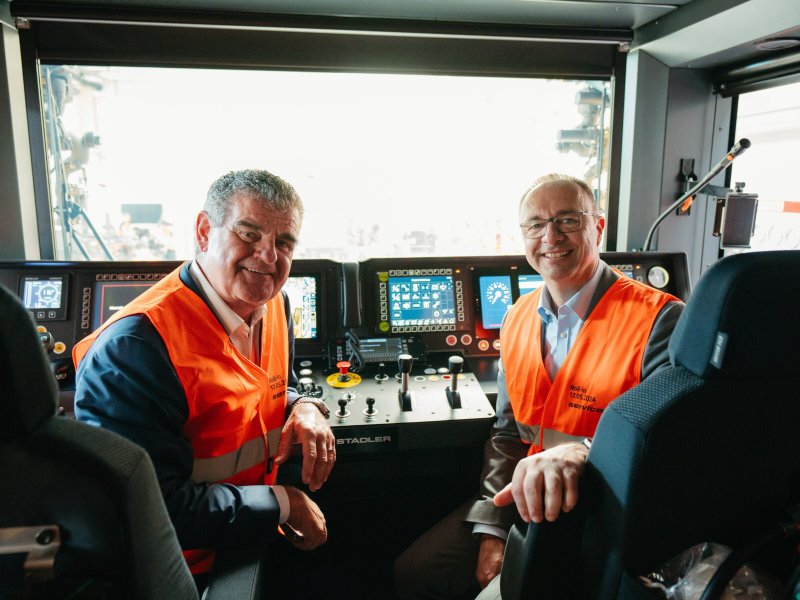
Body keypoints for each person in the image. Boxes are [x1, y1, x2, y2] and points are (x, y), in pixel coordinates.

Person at [393, 173, 684, 600]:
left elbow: (666, 440)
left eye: (567, 220)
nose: (550, 236)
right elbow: (509, 433)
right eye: (535, 225)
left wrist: (583, 450)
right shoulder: (517, 317)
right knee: (414, 573)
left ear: (597, 228)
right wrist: (492, 527)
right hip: (524, 498)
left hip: (606, 509)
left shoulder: (660, 318)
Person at [73, 169, 336, 593]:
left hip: (249, 535)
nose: (269, 257)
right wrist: (284, 503)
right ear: (203, 231)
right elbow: (153, 508)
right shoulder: (135, 350)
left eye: (284, 243)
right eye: (249, 234)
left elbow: (254, 390)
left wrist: (301, 404)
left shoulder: (275, 305)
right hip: (181, 565)